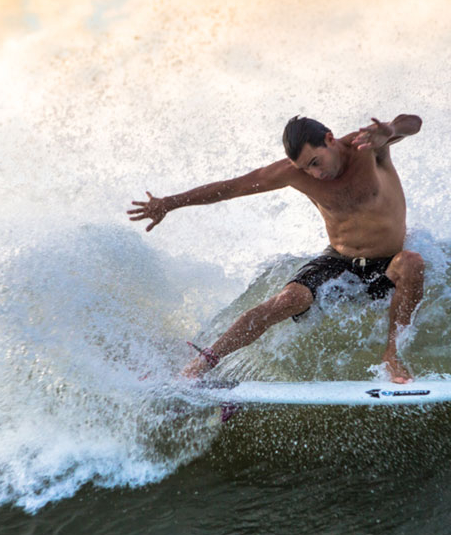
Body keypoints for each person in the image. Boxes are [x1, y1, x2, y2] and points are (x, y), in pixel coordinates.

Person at [127, 114, 425, 384]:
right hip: (339, 259)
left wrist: (391, 129)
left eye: (315, 162)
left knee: (411, 262)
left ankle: (392, 356)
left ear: (330, 139)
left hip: (388, 262)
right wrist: (169, 203)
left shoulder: (368, 146)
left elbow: (413, 123)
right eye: (305, 168)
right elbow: (233, 188)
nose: (314, 174)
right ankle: (201, 363)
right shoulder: (294, 173)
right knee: (290, 298)